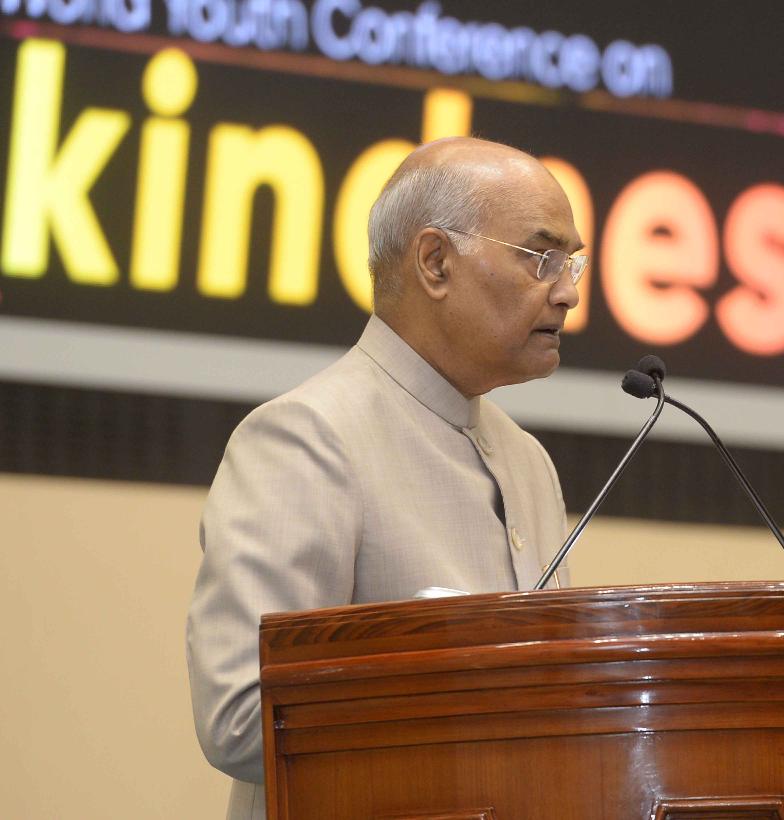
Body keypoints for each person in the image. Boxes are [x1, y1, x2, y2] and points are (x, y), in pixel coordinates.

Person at [186, 137, 587, 820]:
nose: (569, 292)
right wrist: (470, 694)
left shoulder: (528, 461)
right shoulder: (306, 438)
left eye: (572, 262)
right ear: (435, 263)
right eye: (540, 257)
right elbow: (241, 716)